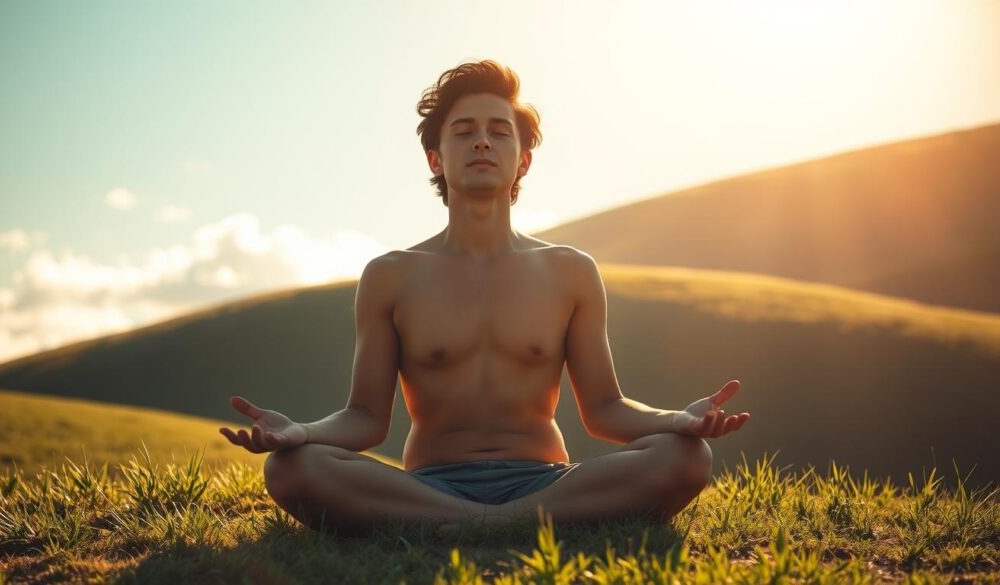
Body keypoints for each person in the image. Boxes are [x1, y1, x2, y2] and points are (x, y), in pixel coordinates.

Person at [219, 59, 750, 536]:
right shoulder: (390, 275)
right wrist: (301, 433)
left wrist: (675, 421)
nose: (482, 143)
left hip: (545, 480)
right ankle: (508, 524)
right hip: (430, 482)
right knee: (292, 468)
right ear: (435, 159)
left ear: (523, 161)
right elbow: (364, 418)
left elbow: (606, 410)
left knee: (686, 457)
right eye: (464, 131)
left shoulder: (570, 270)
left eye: (499, 132)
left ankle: (469, 525)